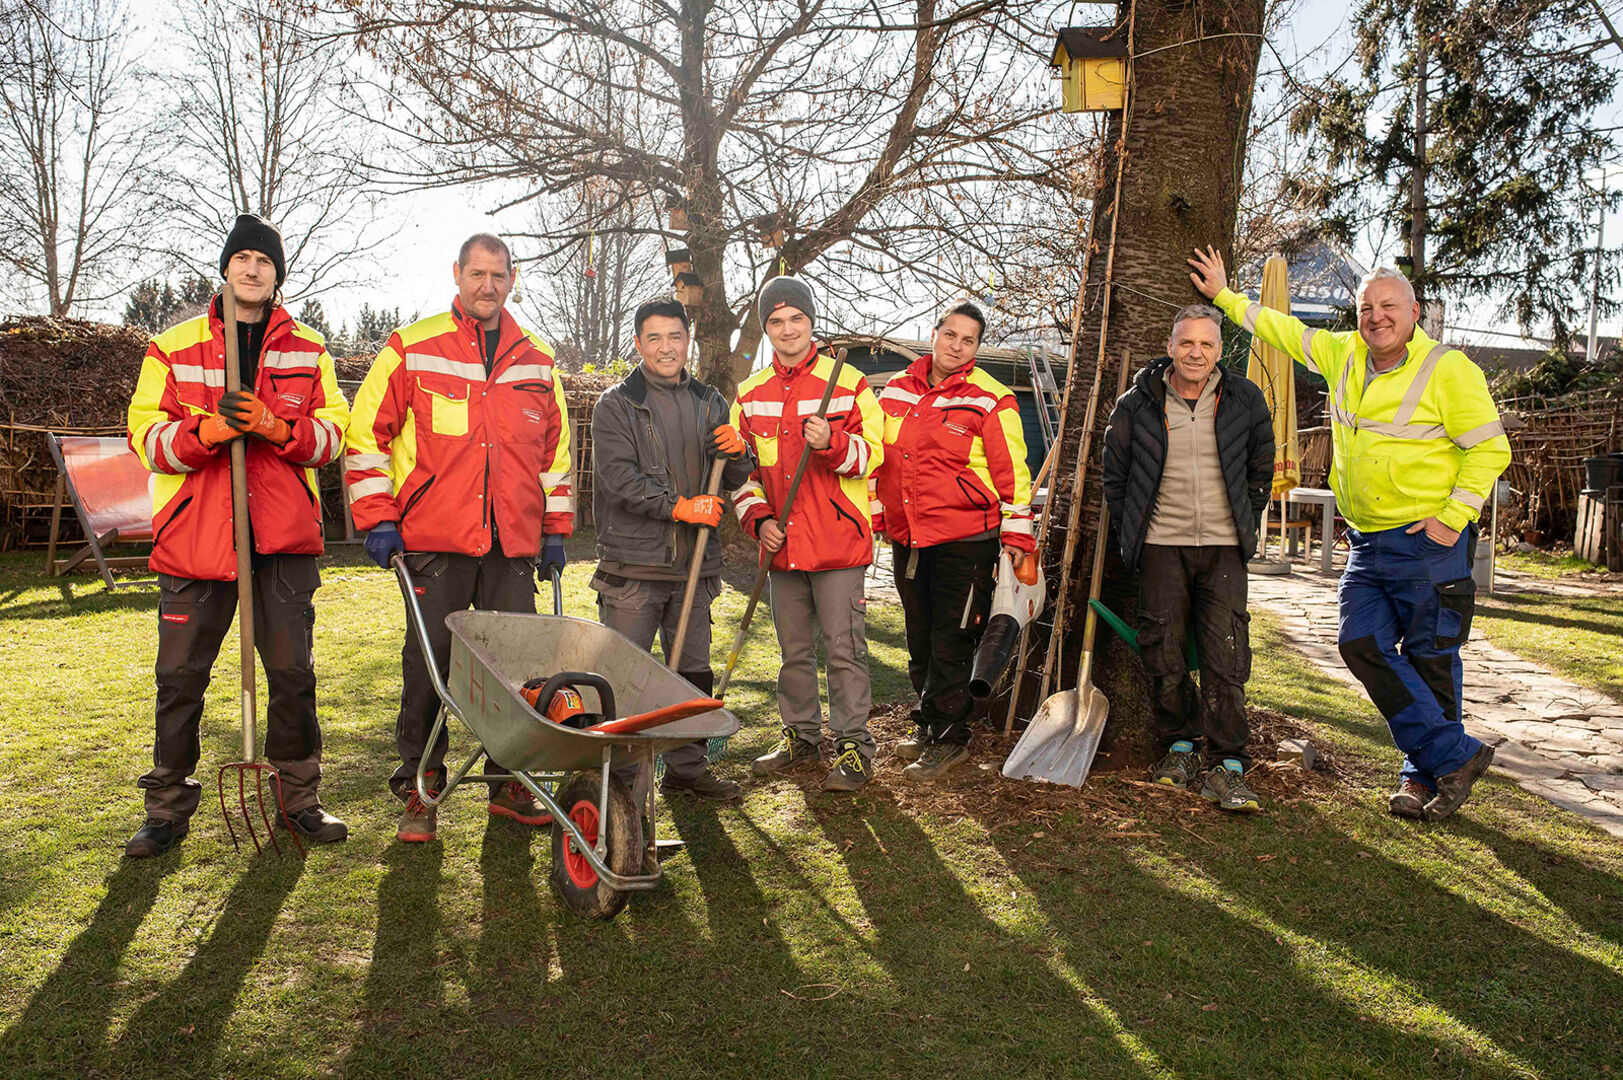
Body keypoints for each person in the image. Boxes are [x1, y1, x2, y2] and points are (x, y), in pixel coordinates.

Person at [1190, 246, 1512, 821]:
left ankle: (1421, 778)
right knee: (1358, 642)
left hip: (1427, 544)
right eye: (1366, 308)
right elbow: (1282, 330)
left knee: (1431, 659)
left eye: (1389, 307)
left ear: (1414, 313)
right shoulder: (1342, 354)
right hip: (1366, 541)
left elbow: (1490, 449)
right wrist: (1224, 296)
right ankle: (1454, 755)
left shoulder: (1449, 369)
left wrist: (1451, 519)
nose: (1376, 317)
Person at [123, 213, 351, 856]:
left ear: (278, 275)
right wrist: (207, 433)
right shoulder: (173, 347)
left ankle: (299, 798)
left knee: (292, 674)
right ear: (226, 268)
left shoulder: (309, 349)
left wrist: (277, 428)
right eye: (243, 258)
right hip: (195, 540)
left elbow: (333, 436)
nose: (253, 270)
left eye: (265, 261)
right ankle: (166, 808)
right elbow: (145, 439)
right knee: (180, 678)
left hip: (281, 542)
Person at [345, 233, 573, 842]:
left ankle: (510, 782)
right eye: (477, 274)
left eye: (498, 276)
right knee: (429, 669)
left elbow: (555, 458)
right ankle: (420, 787)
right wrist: (379, 518)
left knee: (515, 671)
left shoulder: (538, 361)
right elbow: (364, 437)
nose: (487, 286)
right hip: (434, 544)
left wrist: (555, 531)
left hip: (512, 545)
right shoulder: (411, 348)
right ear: (457, 274)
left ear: (512, 280)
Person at [1100, 304, 1274, 811]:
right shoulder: (1138, 402)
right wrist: (1135, 528)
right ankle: (1179, 746)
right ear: (1170, 345)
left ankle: (1228, 761)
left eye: (1206, 344)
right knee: (1164, 651)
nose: (1195, 353)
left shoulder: (1245, 398)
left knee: (1226, 654)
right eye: (1186, 343)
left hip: (1223, 548)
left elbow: (1260, 468)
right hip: (1161, 545)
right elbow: (1115, 475)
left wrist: (1242, 522)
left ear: (1220, 350)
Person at [589, 296, 756, 803]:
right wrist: (679, 507)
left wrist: (738, 453)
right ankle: (620, 780)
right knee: (625, 678)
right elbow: (618, 479)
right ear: (638, 343)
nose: (666, 347)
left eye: (675, 337)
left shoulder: (709, 401)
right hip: (634, 570)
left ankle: (686, 770)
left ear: (689, 340)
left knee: (692, 675)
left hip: (694, 568)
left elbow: (735, 475)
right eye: (654, 338)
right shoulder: (616, 405)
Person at [730, 276, 885, 791]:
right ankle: (801, 735)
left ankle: (854, 747)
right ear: (766, 329)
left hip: (838, 545)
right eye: (776, 321)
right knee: (793, 652)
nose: (788, 329)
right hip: (783, 547)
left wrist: (833, 442)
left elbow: (874, 456)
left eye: (796, 318)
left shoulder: (850, 384)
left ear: (811, 322)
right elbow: (742, 475)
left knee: (844, 650)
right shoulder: (749, 395)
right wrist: (760, 521)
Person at [871, 302, 1034, 782]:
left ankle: (949, 739)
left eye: (968, 340)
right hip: (909, 538)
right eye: (950, 335)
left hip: (965, 539)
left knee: (953, 637)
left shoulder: (992, 398)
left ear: (977, 347)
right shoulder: (897, 388)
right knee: (919, 634)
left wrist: (1017, 530)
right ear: (935, 334)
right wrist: (879, 514)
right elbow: (880, 456)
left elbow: (1013, 471)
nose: (956, 346)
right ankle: (929, 724)